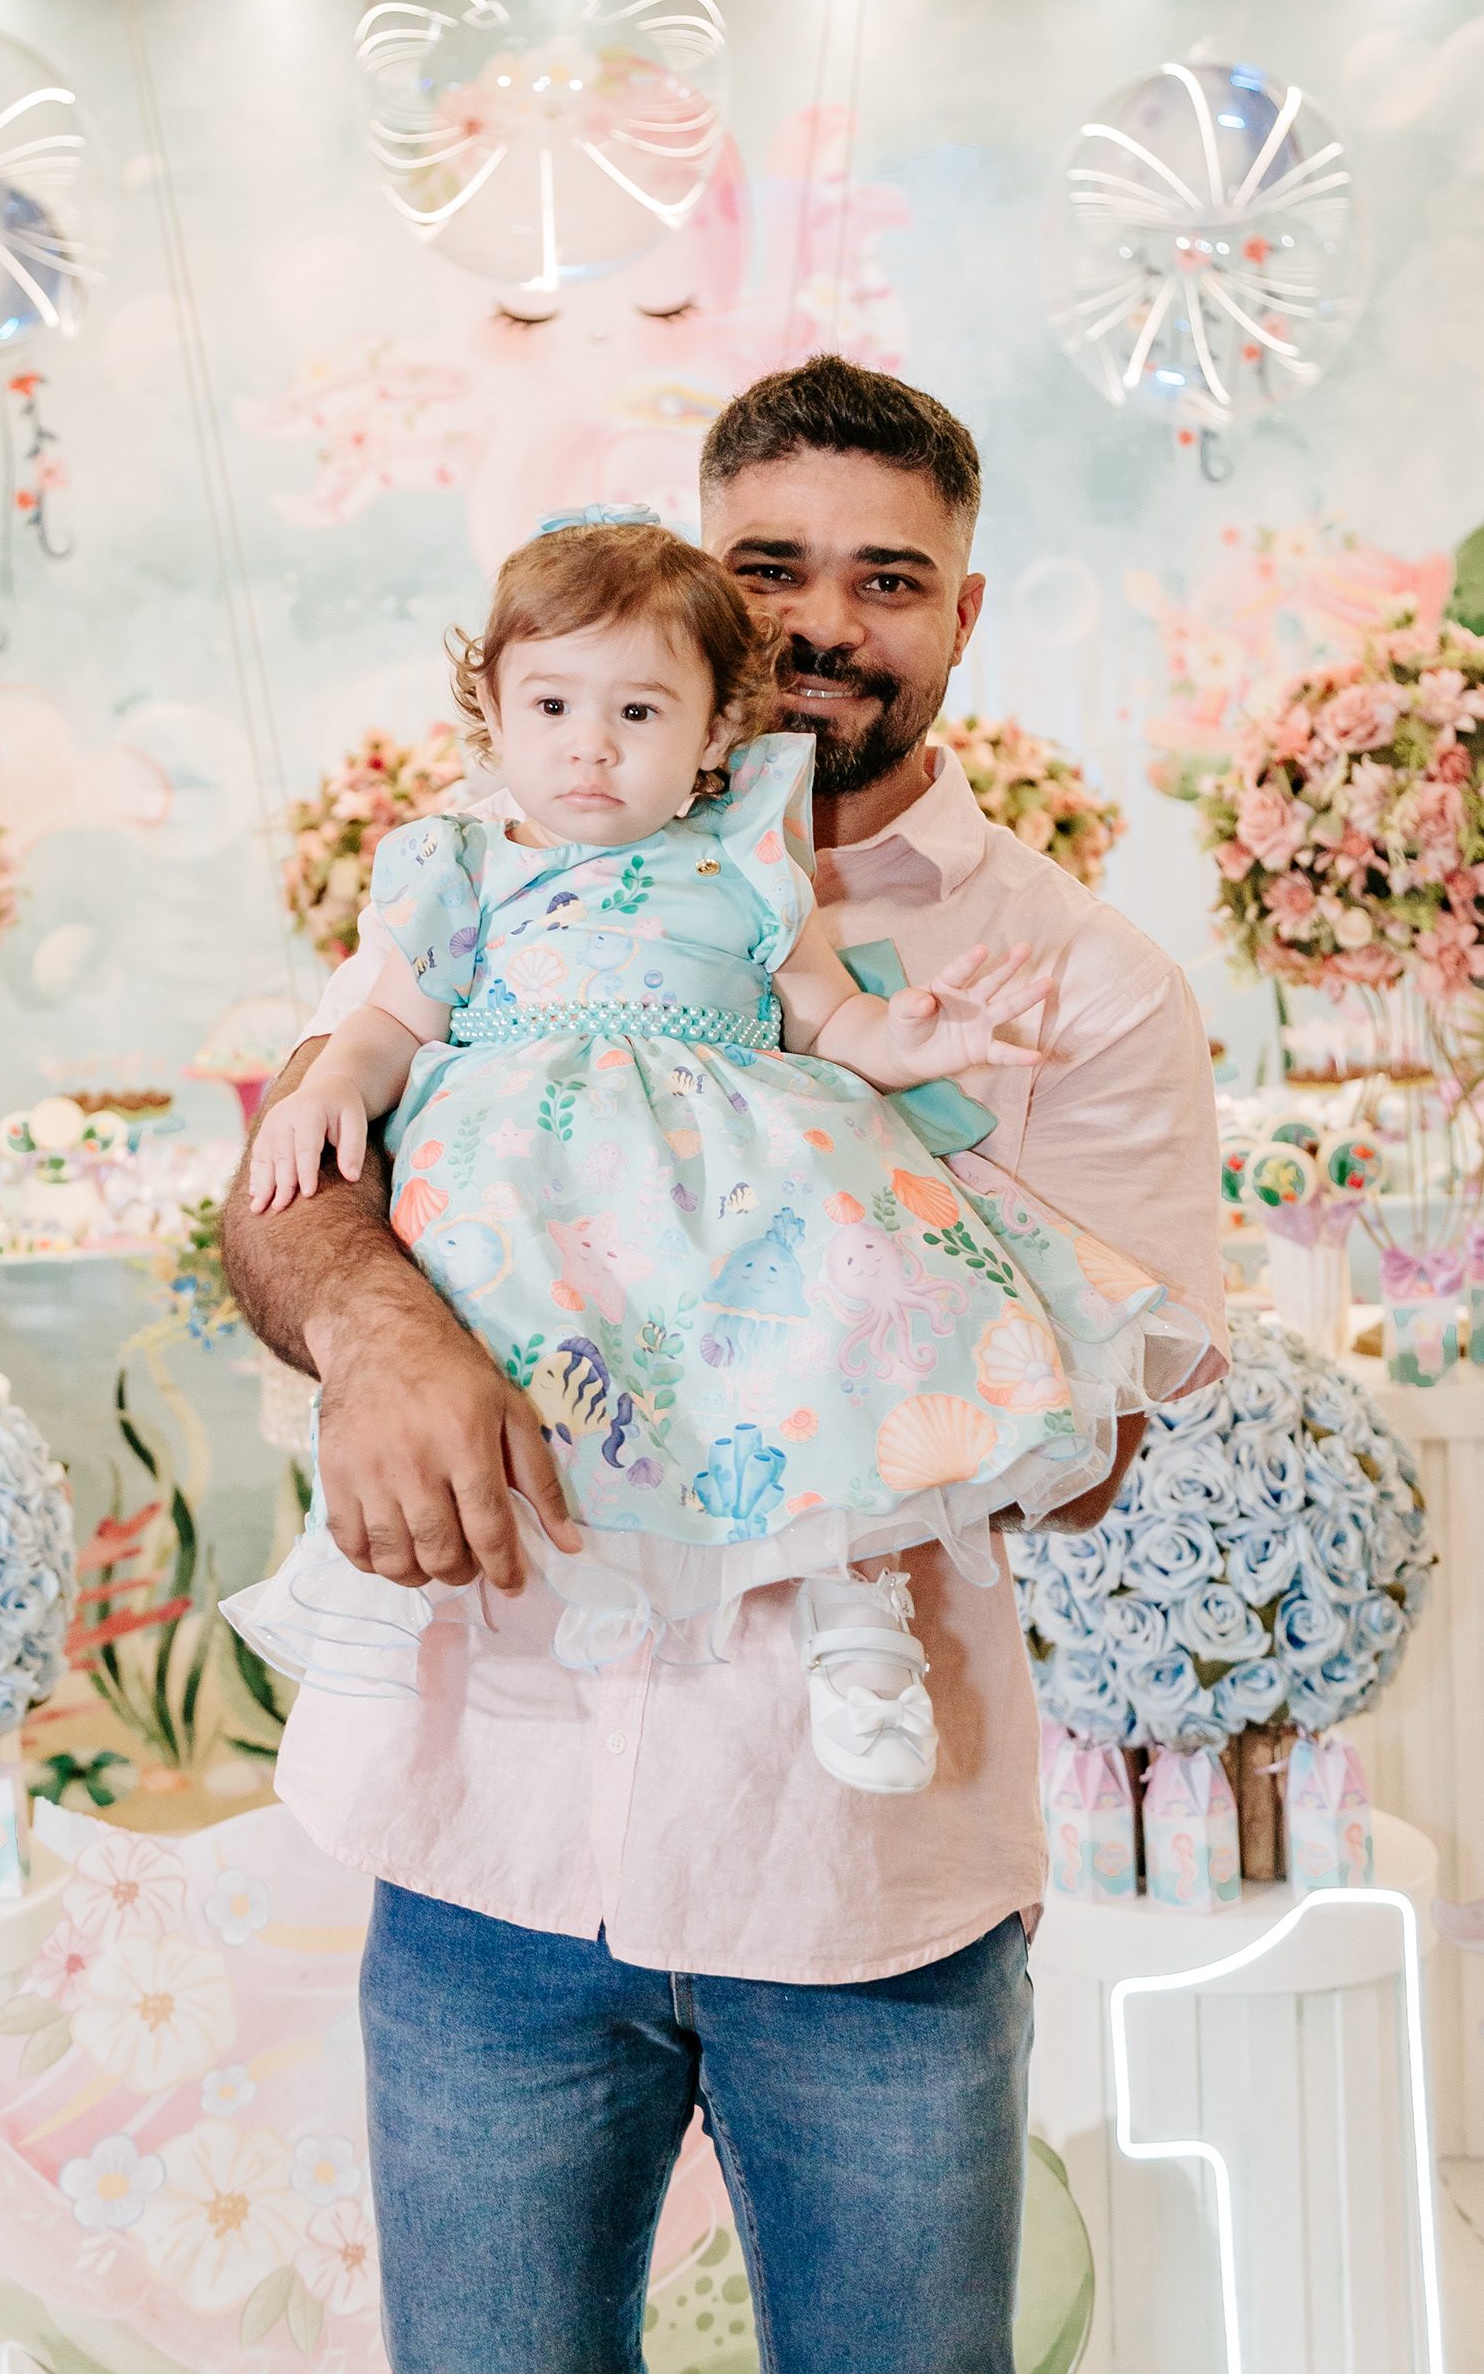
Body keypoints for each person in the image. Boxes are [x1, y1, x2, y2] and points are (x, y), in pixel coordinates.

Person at [220, 355, 1225, 2374]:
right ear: (695, 580)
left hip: (862, 1874)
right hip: (491, 1826)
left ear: (963, 613)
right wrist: (386, 1333)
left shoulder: (1085, 985)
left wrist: (836, 1264)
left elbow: (1106, 1436)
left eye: (889, 579)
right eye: (771, 566)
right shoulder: (502, 857)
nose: (822, 623)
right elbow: (290, 1193)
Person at [230, 510, 1172, 1797]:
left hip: (737, 1163)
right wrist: (330, 1085)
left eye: (638, 713)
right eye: (551, 706)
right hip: (530, 1188)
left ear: (717, 730)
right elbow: (394, 1017)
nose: (590, 746)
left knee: (834, 1312)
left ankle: (857, 1609)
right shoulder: (460, 863)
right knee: (510, 1337)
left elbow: (823, 1016)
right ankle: (499, 1597)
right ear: (493, 713)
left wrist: (907, 1036)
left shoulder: (743, 858)